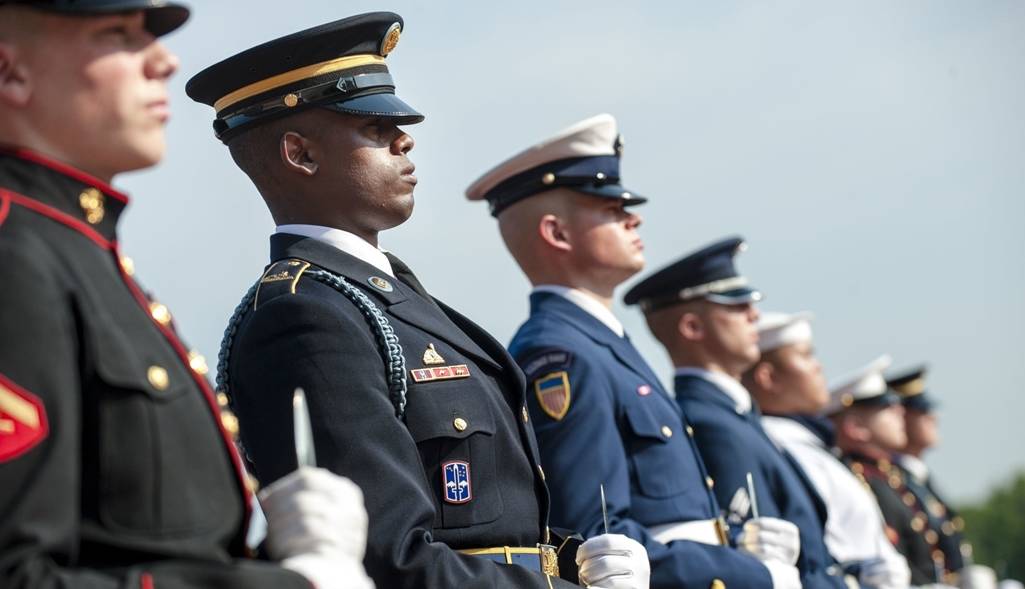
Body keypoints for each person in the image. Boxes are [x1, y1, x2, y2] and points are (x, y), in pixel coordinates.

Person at [187, 13, 649, 589]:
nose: (404, 139)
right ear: (301, 154)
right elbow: (388, 556)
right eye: (374, 128)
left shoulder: (383, 302)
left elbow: (490, 527)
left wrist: (575, 560)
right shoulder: (306, 316)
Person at [0, 2, 371, 588]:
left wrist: (271, 557)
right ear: (10, 73)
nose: (165, 62)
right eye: (118, 34)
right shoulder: (17, 260)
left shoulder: (77, 253)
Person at [467, 114, 801, 589]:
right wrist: (747, 573)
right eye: (610, 207)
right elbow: (597, 542)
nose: (634, 216)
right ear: (557, 234)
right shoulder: (561, 351)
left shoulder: (602, 345)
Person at [624, 238, 850, 589]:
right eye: (736, 305)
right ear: (692, 328)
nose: (754, 315)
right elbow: (758, 555)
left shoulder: (737, 415)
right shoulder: (711, 422)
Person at [746, 312, 911, 589]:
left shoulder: (811, 446)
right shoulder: (782, 444)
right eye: (807, 356)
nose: (818, 367)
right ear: (768, 377)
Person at [828, 355, 943, 586]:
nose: (900, 412)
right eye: (886, 406)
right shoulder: (856, 478)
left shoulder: (889, 476)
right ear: (855, 427)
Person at [889, 367, 1004, 589]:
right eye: (922, 411)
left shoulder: (920, 478)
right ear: (901, 417)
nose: (934, 417)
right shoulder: (894, 481)